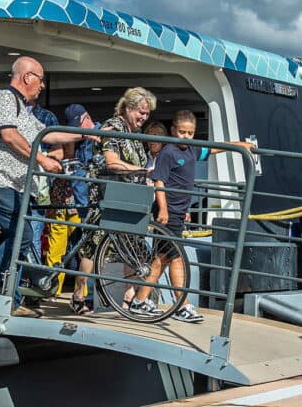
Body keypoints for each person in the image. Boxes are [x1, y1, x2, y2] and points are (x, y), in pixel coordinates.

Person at [131, 110, 256, 324]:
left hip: (180, 212)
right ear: (173, 130)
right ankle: (180, 305)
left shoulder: (192, 149)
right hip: (169, 213)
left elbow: (214, 148)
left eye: (190, 133)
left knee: (163, 258)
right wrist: (163, 210)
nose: (186, 137)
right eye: (182, 132)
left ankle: (141, 301)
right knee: (174, 257)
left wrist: (240, 146)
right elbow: (159, 182)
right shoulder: (168, 153)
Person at [0, 57, 79, 313]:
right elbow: (9, 136)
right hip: (0, 181)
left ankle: (9, 298)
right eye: (41, 79)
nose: (42, 86)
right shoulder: (4, 97)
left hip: (17, 186)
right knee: (23, 236)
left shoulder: (23, 109)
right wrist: (43, 159)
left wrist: (86, 134)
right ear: (27, 77)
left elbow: (48, 134)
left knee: (19, 238)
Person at [70, 87, 157, 316]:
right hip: (106, 196)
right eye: (141, 112)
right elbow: (111, 162)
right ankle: (79, 295)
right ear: (127, 108)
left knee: (131, 245)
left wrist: (144, 177)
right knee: (92, 246)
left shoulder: (136, 134)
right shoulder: (113, 128)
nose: (144, 117)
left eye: (147, 114)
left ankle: (129, 299)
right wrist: (140, 171)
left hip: (128, 196)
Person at [44, 103, 97, 298]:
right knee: (58, 244)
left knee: (82, 247)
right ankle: (53, 289)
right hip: (64, 196)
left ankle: (81, 294)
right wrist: (73, 139)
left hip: (83, 199)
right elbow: (59, 154)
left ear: (86, 118)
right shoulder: (68, 136)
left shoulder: (100, 135)